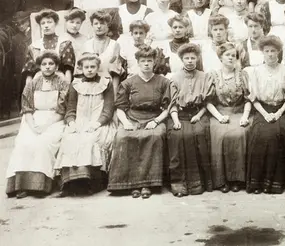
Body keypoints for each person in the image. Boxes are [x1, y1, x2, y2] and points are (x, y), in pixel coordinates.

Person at [107, 45, 171, 199]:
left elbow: (168, 108)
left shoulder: (163, 82)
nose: (146, 64)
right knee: (123, 137)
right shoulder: (128, 83)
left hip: (154, 118)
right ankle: (130, 184)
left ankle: (147, 184)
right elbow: (120, 107)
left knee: (154, 137)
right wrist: (125, 123)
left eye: (149, 60)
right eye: (143, 61)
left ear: (154, 62)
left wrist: (156, 121)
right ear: (138, 62)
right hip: (132, 118)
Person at [6, 51, 69, 198]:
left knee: (43, 144)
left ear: (56, 66)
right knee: (24, 144)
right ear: (39, 66)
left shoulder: (63, 83)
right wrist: (32, 125)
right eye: (44, 64)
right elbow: (27, 108)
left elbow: (62, 109)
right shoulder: (32, 84)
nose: (47, 67)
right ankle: (20, 186)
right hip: (33, 118)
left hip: (55, 119)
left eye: (51, 64)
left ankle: (40, 186)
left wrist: (46, 126)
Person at [54, 53, 117, 196]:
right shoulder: (76, 84)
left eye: (92, 67)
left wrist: (98, 123)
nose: (89, 70)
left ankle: (91, 183)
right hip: (79, 122)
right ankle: (70, 183)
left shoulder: (106, 83)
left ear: (98, 67)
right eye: (86, 67)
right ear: (81, 68)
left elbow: (108, 109)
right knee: (69, 139)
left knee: (91, 140)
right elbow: (70, 109)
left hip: (99, 122)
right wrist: (71, 122)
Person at [246, 36, 285, 194]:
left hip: (282, 109)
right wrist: (266, 114)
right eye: (267, 51)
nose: (270, 54)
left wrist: (278, 114)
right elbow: (253, 98)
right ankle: (257, 183)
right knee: (259, 134)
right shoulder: (256, 71)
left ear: (278, 52)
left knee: (276, 135)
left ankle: (272, 183)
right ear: (262, 52)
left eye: (273, 51)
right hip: (262, 109)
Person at [167, 43, 213, 197]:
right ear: (182, 59)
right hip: (179, 115)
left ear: (197, 58)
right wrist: (175, 120)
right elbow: (172, 104)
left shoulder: (204, 77)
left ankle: (199, 183)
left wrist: (198, 115)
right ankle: (178, 183)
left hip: (198, 113)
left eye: (193, 58)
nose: (190, 61)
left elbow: (207, 102)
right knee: (178, 136)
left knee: (199, 134)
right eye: (186, 58)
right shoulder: (175, 78)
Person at [206, 42, 252, 193]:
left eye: (233, 55)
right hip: (219, 113)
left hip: (239, 112)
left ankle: (237, 179)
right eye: (227, 55)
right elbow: (208, 102)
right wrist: (219, 117)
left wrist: (245, 116)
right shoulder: (213, 75)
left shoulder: (242, 75)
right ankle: (221, 180)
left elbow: (248, 99)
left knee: (239, 134)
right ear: (220, 57)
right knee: (220, 134)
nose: (231, 58)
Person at [23, 9, 75, 85]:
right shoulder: (34, 46)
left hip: (59, 82)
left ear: (55, 23)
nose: (46, 26)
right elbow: (29, 72)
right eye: (43, 23)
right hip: (39, 84)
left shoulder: (64, 43)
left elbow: (68, 69)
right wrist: (29, 88)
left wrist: (66, 86)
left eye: (49, 22)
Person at [82, 10, 122, 99]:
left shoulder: (114, 45)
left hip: (108, 88)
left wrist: (114, 94)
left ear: (108, 25)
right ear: (92, 25)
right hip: (89, 89)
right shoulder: (86, 45)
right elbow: (80, 72)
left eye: (102, 23)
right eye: (96, 23)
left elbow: (115, 74)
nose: (99, 26)